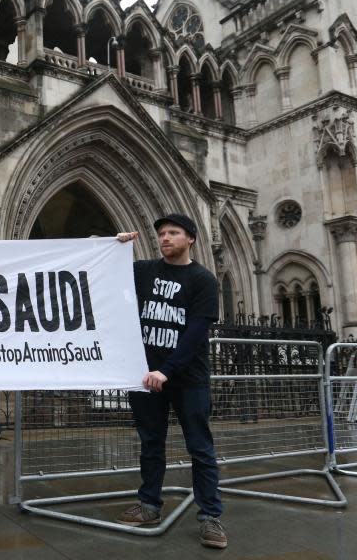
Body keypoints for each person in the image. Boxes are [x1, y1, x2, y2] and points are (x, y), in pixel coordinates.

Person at [114, 214, 226, 549]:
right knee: (150, 444)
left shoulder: (203, 280)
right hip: (146, 376)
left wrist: (168, 370)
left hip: (187, 379)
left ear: (190, 238)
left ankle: (210, 518)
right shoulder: (144, 271)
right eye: (161, 233)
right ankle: (149, 505)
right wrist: (110, 245)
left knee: (200, 448)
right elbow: (103, 273)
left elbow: (195, 333)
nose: (165, 238)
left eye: (173, 233)